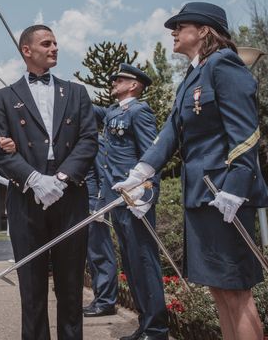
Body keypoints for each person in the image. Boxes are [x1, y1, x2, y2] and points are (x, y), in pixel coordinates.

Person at [119, 2, 268, 340]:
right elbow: (172, 130)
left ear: (203, 30)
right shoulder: (193, 75)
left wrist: (236, 186)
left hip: (225, 195)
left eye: (180, 25)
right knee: (219, 290)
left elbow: (245, 132)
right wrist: (142, 170)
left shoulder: (224, 64)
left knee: (237, 292)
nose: (173, 31)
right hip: (202, 196)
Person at [0, 25, 99, 340]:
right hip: (26, 196)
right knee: (32, 287)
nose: (54, 48)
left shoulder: (76, 92)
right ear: (27, 50)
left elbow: (88, 140)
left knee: (70, 285)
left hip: (70, 194)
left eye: (55, 43)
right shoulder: (4, 97)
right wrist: (35, 179)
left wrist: (61, 179)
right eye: (46, 43)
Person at [92, 63, 168, 340]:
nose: (113, 82)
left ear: (134, 85)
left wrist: (147, 195)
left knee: (144, 263)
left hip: (135, 200)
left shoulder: (139, 111)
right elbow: (84, 107)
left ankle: (156, 329)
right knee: (132, 266)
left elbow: (153, 155)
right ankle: (145, 325)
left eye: (119, 79)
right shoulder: (113, 112)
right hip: (117, 200)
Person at [83, 137, 118, 319]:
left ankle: (106, 301)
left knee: (100, 252)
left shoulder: (94, 140)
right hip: (82, 203)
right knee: (92, 254)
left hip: (94, 204)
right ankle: (100, 298)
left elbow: (104, 174)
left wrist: (101, 204)